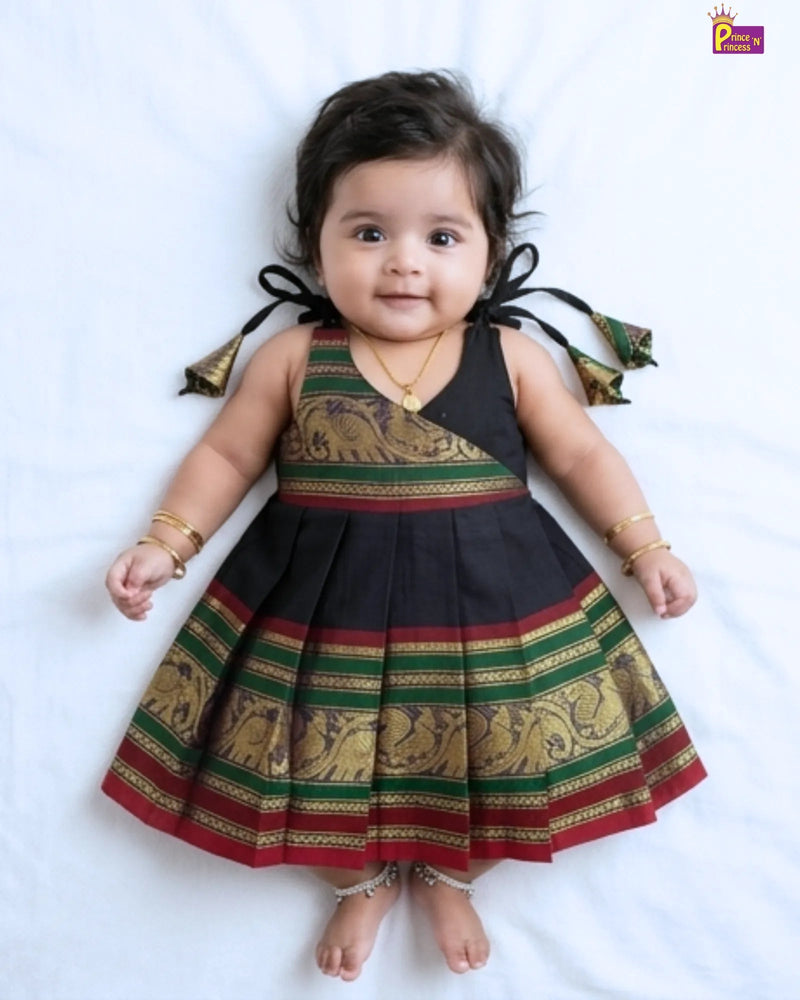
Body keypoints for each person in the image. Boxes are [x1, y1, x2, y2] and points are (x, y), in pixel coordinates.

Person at [103, 70, 706, 982]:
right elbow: (226, 458)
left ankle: (450, 867)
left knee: (519, 753)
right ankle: (357, 878)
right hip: (322, 608)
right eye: (369, 233)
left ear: (492, 255)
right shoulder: (296, 357)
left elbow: (582, 456)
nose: (404, 262)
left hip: (496, 601)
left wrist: (646, 545)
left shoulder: (509, 355)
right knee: (301, 754)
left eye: (441, 236)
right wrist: (166, 543)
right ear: (317, 246)